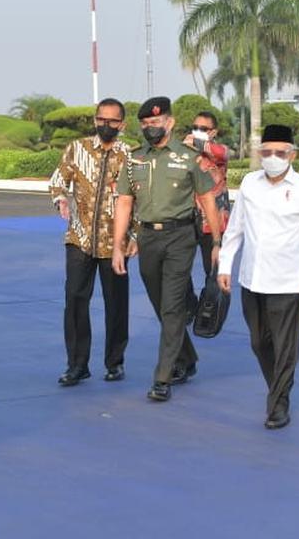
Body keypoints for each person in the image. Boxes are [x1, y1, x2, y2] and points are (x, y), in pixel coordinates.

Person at [112, 96, 221, 403]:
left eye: (156, 123)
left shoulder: (189, 157)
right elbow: (124, 201)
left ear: (170, 123)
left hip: (180, 237)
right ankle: (187, 357)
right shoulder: (134, 159)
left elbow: (208, 198)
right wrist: (119, 244)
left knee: (173, 305)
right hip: (147, 238)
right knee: (161, 305)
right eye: (145, 124)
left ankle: (163, 376)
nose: (150, 128)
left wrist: (216, 242)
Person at [218, 125, 299, 429]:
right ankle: (277, 386)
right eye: (267, 152)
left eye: (280, 152)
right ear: (259, 153)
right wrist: (225, 265)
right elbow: (235, 229)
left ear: (292, 154)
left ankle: (279, 403)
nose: (273, 158)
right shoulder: (250, 184)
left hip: (287, 281)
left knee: (285, 347)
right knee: (258, 342)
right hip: (251, 278)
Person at [48, 98, 134, 387]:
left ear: (122, 124)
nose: (105, 126)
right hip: (80, 239)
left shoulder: (131, 155)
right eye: (100, 119)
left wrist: (133, 237)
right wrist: (60, 198)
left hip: (116, 243)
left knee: (116, 304)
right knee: (74, 300)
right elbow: (58, 179)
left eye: (112, 121)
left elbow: (141, 200)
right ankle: (76, 364)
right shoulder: (77, 148)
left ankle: (115, 362)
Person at [183, 111, 230, 311]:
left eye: (203, 129)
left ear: (213, 132)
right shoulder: (186, 152)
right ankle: (189, 304)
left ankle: (211, 307)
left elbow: (222, 154)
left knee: (211, 269)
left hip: (214, 222)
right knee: (179, 268)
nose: (197, 132)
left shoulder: (219, 151)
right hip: (187, 218)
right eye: (194, 128)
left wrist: (196, 143)